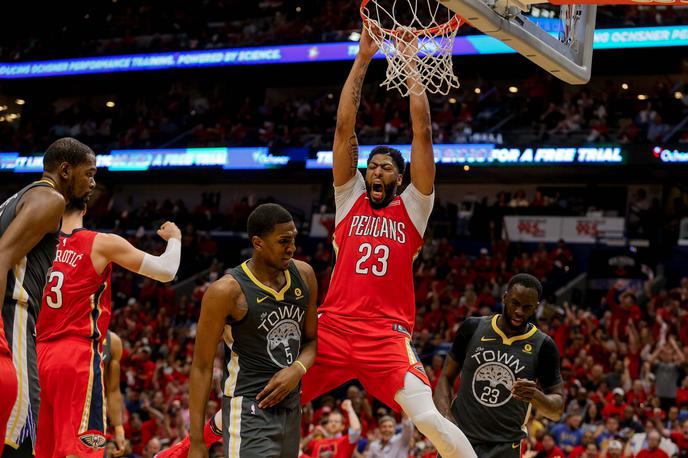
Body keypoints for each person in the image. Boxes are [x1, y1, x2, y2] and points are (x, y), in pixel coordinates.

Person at [299, 26, 475, 458]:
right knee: (265, 395)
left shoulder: (414, 206)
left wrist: (410, 61)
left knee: (429, 417)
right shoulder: (348, 198)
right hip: (333, 329)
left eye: (385, 168)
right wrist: (363, 57)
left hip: (387, 338)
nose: (376, 172)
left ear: (399, 178)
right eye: (372, 167)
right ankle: (189, 447)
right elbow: (343, 129)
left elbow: (423, 133)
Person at [34, 200, 181, 458]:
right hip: (75, 354)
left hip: (35, 354)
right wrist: (175, 238)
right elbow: (167, 271)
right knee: (81, 452)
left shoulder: (35, 244)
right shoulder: (100, 242)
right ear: (85, 207)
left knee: (41, 450)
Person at [187, 203, 318, 458]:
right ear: (258, 243)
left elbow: (312, 342)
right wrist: (196, 440)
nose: (291, 248)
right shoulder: (226, 292)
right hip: (248, 409)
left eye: (293, 240)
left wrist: (296, 369)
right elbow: (201, 366)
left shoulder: (305, 275)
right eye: (283, 241)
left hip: (291, 407)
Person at [1, 138, 97, 457]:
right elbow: (1, 258)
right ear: (66, 170)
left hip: (17, 321)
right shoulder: (50, 199)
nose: (93, 183)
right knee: (22, 430)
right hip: (12, 317)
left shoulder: (20, 198)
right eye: (90, 173)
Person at [434, 274, 565, 458]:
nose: (519, 311)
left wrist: (535, 396)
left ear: (536, 307)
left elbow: (557, 410)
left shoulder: (544, 346)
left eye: (527, 307)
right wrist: (447, 419)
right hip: (460, 438)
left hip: (504, 447)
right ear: (504, 297)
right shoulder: (472, 327)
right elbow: (445, 378)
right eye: (515, 303)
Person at [103, 330, 125, 457]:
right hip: (63, 405)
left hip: (92, 412)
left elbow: (113, 389)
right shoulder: (65, 328)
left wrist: (118, 428)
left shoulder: (113, 342)